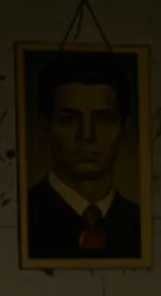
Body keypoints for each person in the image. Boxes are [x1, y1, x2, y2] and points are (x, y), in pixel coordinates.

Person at [26, 51, 142, 261]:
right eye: (69, 119)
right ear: (46, 126)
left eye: (103, 119)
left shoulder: (141, 223)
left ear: (124, 127)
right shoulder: (20, 217)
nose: (87, 135)